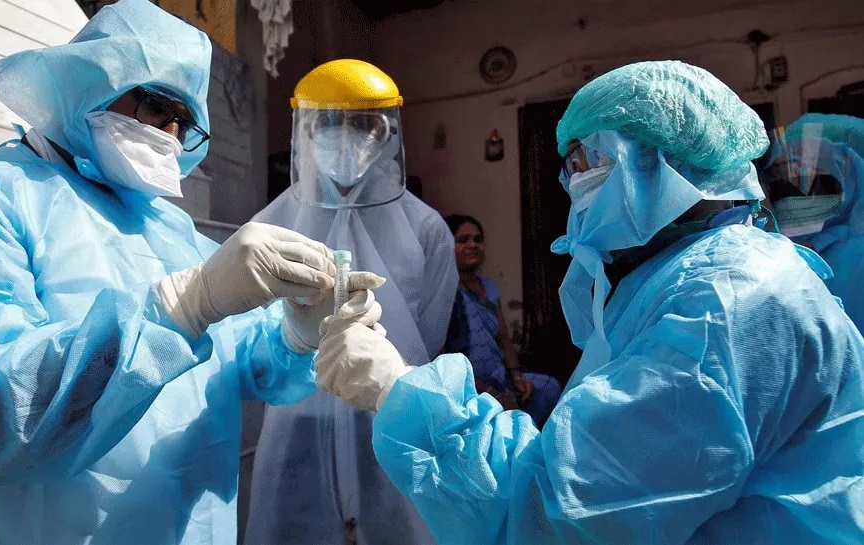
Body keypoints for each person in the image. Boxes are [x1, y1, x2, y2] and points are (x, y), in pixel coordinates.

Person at [314, 60, 864, 544]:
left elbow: (563, 509)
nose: (573, 185)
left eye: (588, 162)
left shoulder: (728, 302)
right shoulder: (683, 276)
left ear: (665, 160)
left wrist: (401, 393)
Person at [0, 1, 382, 543]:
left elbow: (240, 358)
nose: (169, 131)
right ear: (89, 82)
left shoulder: (173, 231)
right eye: (156, 106)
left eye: (184, 122)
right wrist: (180, 309)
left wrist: (297, 333)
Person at [246, 59, 455, 545]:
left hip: (390, 411)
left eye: (363, 124)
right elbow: (254, 344)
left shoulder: (425, 228)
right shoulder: (269, 227)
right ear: (305, 129)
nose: (344, 137)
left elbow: (429, 336)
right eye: (328, 122)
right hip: (298, 418)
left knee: (400, 529)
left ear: (388, 133)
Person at [443, 214, 560, 426]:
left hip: (499, 378)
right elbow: (445, 356)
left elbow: (504, 338)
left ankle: (519, 431)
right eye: (463, 240)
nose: (473, 245)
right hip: (469, 386)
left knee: (549, 387)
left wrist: (517, 378)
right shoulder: (448, 292)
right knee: (500, 414)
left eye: (478, 239)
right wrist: (492, 394)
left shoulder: (487, 286)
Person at [761, 113, 864, 329]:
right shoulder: (780, 253)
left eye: (813, 178)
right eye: (782, 178)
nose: (794, 193)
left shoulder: (857, 257)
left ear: (854, 175)